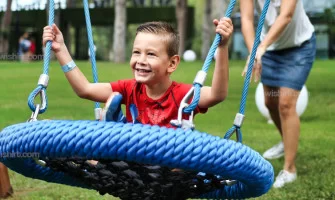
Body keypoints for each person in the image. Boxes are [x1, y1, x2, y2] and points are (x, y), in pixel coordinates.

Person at [42, 18, 233, 128]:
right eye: (136, 52)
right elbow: (84, 89)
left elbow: (217, 94)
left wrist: (222, 47)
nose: (141, 60)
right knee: (93, 156)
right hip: (134, 166)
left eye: (151, 54)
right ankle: (115, 126)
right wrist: (61, 50)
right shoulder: (128, 89)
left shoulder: (183, 95)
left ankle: (117, 125)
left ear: (172, 63)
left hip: (169, 168)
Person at [240, 0, 316, 188]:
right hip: (270, 51)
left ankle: (290, 169)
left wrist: (261, 48)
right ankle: (286, 141)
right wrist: (253, 53)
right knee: (271, 102)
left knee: (285, 104)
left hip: (298, 48)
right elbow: (247, 20)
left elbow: (286, 16)